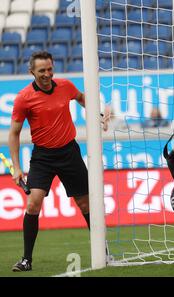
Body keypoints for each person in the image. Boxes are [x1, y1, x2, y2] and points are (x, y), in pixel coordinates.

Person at [8, 51, 110, 272]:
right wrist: (16, 167)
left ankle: (103, 251)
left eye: (50, 69)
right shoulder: (24, 98)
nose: (47, 74)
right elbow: (14, 134)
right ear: (31, 72)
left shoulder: (65, 86)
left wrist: (99, 115)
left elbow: (83, 98)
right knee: (33, 203)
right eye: (42, 70)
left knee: (85, 204)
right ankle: (26, 260)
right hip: (42, 157)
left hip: (69, 153)